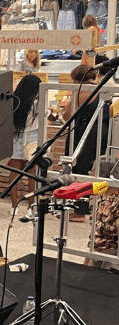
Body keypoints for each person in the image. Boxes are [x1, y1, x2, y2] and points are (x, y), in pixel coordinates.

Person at [62, 64, 106, 221]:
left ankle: (79, 211)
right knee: (90, 170)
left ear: (76, 78)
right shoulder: (103, 88)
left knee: (78, 170)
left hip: (84, 134)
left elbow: (67, 115)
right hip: (101, 132)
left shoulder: (81, 90)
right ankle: (87, 207)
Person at [8, 74, 42, 208]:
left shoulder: (14, 101)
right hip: (33, 140)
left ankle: (13, 206)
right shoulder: (38, 103)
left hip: (17, 139)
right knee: (32, 175)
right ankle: (31, 206)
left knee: (14, 175)